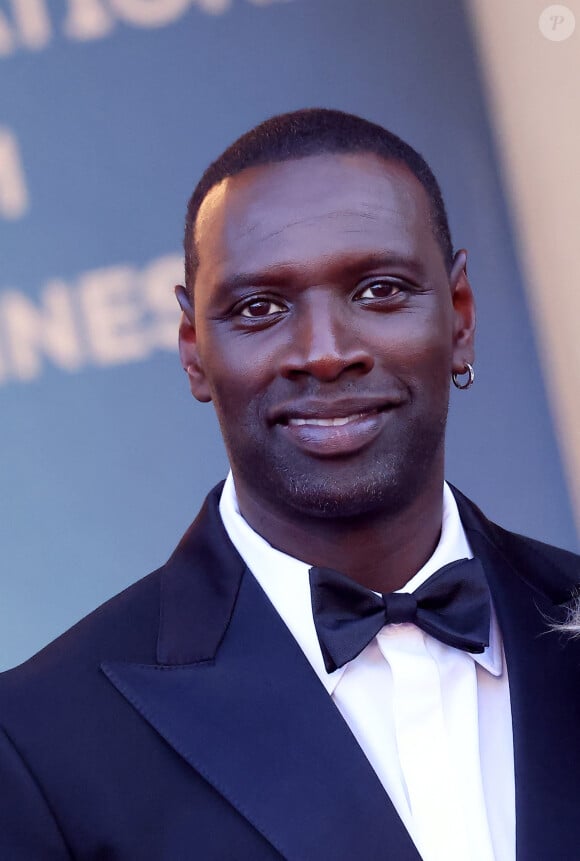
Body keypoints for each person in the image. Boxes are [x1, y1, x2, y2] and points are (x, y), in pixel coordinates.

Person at [0, 108, 579, 861]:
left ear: (460, 315)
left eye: (378, 290)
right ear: (193, 351)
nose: (326, 352)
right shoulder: (40, 741)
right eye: (259, 308)